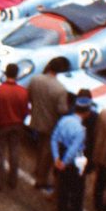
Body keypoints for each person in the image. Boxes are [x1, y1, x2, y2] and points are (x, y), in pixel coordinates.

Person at [28, 56, 71, 192]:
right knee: (47, 152)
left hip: (36, 118)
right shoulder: (61, 89)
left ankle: (37, 170)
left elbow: (29, 96)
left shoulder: (36, 79)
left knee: (40, 147)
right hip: (51, 124)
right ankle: (41, 178)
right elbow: (62, 110)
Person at [52, 95, 95, 211]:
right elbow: (74, 149)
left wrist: (57, 158)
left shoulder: (65, 120)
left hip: (61, 152)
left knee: (64, 184)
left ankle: (62, 210)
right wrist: (64, 162)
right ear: (86, 112)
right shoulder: (81, 130)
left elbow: (54, 138)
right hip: (75, 159)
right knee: (78, 189)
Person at [0, 62, 30, 191]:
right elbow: (26, 111)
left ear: (6, 73)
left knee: (0, 153)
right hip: (17, 125)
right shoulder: (23, 92)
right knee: (15, 152)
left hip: (2, 124)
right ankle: (13, 180)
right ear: (17, 75)